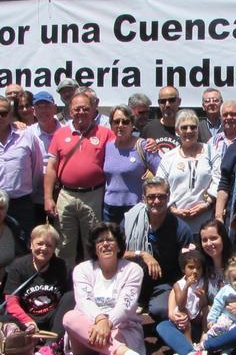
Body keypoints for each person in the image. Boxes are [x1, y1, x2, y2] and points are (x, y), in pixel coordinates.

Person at [62, 222, 159, 355]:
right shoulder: (82, 269)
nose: (105, 244)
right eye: (100, 241)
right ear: (94, 247)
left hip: (121, 329)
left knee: (111, 349)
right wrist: (100, 320)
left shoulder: (133, 270)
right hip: (87, 334)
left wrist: (109, 323)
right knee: (69, 317)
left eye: (110, 240)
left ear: (119, 245)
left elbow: (126, 305)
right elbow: (84, 301)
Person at [44, 92, 114, 267]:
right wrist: (47, 197)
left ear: (93, 110)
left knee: (93, 242)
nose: (81, 112)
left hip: (94, 194)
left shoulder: (106, 133)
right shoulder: (60, 134)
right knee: (64, 243)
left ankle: (94, 281)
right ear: (70, 111)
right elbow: (51, 167)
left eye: (85, 108)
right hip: (66, 195)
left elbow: (122, 150)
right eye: (77, 109)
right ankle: (63, 284)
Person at [0, 224, 74, 355]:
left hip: (53, 319)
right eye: (39, 243)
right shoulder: (18, 266)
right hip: (27, 319)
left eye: (49, 245)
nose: (44, 248)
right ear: (30, 244)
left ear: (54, 248)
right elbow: (11, 301)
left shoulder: (63, 266)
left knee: (71, 296)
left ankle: (52, 345)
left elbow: (69, 301)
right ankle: (26, 343)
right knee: (5, 319)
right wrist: (28, 322)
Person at [122, 176, 194, 321]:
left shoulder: (180, 229)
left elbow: (190, 265)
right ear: (144, 198)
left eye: (161, 197)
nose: (156, 201)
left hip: (165, 283)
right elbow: (116, 254)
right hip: (133, 281)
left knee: (161, 310)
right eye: (151, 197)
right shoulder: (131, 221)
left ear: (168, 198)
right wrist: (142, 254)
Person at [0, 94, 44, 233]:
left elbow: (37, 168)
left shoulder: (27, 137)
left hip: (21, 204)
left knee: (24, 248)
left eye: (3, 113)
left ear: (10, 114)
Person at [157, 109, 215, 232]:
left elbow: (219, 179)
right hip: (175, 223)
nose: (189, 131)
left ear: (198, 130)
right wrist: (172, 208)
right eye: (184, 127)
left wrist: (207, 203)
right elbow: (160, 185)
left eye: (193, 127)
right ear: (177, 131)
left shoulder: (210, 152)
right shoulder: (169, 157)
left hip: (205, 223)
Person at [103, 104, 159, 224]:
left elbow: (161, 173)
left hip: (135, 207)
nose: (120, 125)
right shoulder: (107, 147)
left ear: (132, 124)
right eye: (116, 121)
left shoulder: (143, 146)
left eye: (125, 122)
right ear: (111, 125)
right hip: (109, 209)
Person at [155, 248, 210, 355]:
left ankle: (202, 341)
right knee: (181, 313)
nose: (195, 271)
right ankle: (188, 346)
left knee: (207, 308)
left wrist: (202, 297)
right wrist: (186, 286)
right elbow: (180, 304)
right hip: (184, 324)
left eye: (198, 268)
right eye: (191, 267)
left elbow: (203, 304)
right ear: (183, 269)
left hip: (198, 321)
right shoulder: (178, 284)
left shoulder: (203, 282)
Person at [141, 85, 184, 151]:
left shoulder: (188, 128)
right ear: (159, 103)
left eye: (171, 100)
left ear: (179, 101)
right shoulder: (149, 128)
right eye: (163, 101)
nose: (167, 104)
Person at [27, 90, 61, 154]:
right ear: (33, 111)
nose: (43, 111)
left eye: (47, 106)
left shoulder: (67, 131)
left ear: (55, 108)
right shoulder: (28, 133)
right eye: (39, 107)